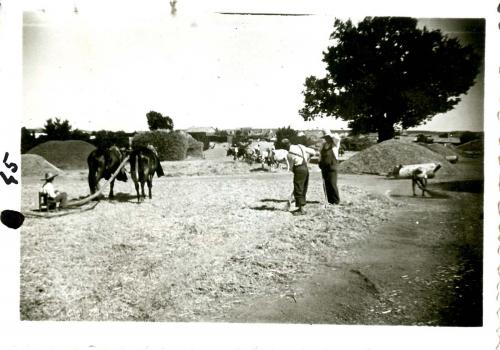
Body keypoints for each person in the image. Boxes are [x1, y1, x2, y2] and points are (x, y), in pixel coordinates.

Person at [282, 138, 317, 216]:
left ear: (285, 147)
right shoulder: (300, 146)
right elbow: (313, 152)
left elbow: (291, 168)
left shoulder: (289, 155)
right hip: (306, 168)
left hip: (299, 169)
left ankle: (301, 210)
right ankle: (301, 207)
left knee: (298, 188)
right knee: (303, 187)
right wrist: (307, 158)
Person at [318, 129, 341, 205]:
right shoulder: (323, 145)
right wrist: (319, 162)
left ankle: (336, 201)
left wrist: (331, 135)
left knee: (332, 183)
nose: (326, 138)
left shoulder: (335, 144)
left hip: (332, 166)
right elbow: (320, 155)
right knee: (326, 183)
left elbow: (338, 138)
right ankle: (330, 200)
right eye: (325, 137)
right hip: (324, 167)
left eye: (327, 137)